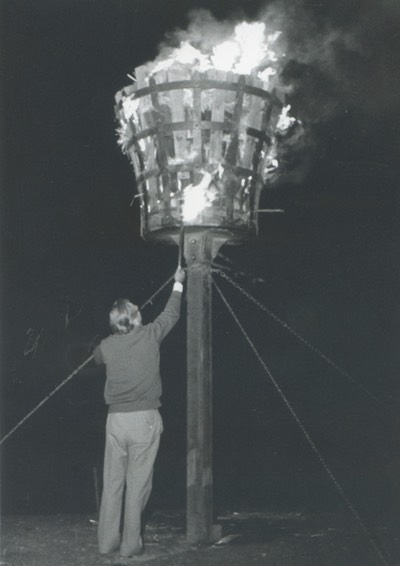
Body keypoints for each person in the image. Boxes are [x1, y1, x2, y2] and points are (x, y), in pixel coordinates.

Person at [93, 266, 186, 559]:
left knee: (113, 482)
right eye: (136, 311)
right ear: (133, 320)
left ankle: (107, 543)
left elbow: (96, 358)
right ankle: (130, 546)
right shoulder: (149, 336)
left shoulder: (106, 346)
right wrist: (178, 284)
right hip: (144, 420)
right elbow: (171, 314)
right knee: (138, 484)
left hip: (115, 422)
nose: (140, 311)